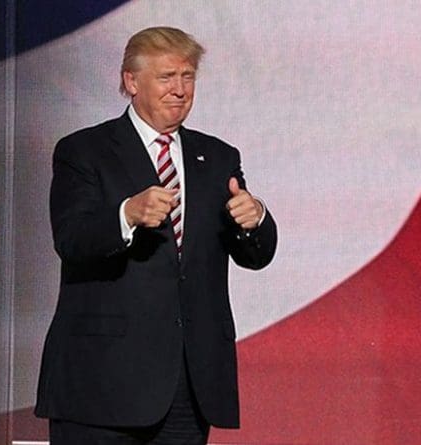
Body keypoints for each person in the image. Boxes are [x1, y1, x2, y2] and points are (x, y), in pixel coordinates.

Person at [35, 26, 277, 444]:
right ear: (131, 81)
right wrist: (126, 214)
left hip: (187, 385)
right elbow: (72, 240)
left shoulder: (217, 157)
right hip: (101, 384)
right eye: (167, 77)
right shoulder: (84, 151)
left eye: (187, 77)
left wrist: (255, 219)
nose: (180, 90)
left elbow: (256, 255)